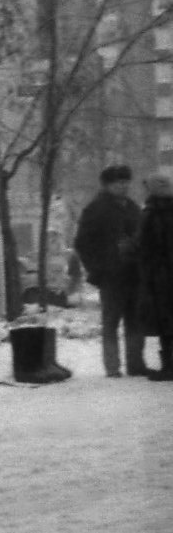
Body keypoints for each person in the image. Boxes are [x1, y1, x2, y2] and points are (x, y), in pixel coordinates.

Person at [74, 163, 147, 378]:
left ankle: (136, 364)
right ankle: (112, 366)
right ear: (107, 185)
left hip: (134, 273)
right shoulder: (96, 210)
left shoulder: (133, 208)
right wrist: (97, 269)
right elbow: (82, 243)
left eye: (126, 182)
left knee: (135, 320)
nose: (123, 187)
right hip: (111, 275)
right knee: (111, 321)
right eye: (118, 183)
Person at [134, 173, 173, 381]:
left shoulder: (151, 214)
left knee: (164, 321)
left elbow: (144, 246)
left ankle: (169, 366)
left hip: (159, 277)